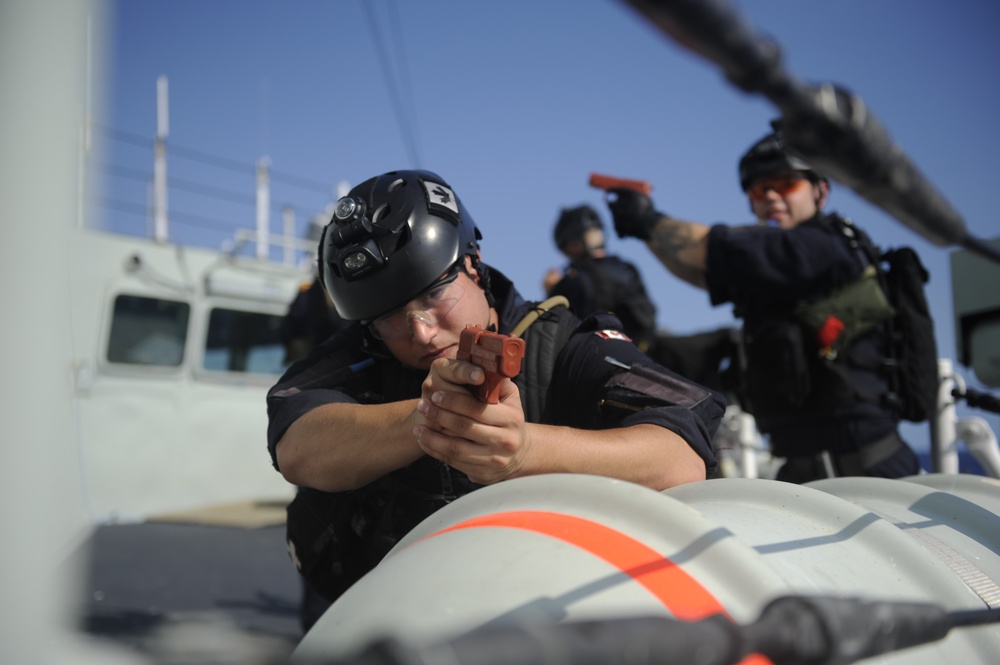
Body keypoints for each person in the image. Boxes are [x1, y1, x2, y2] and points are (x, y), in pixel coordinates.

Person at [267, 169, 725, 620]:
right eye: (390, 317)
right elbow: (298, 447)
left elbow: (681, 458)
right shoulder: (361, 351)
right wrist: (429, 418)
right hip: (378, 616)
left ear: (472, 262)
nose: (422, 333)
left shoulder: (563, 345)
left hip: (543, 621)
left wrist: (526, 450)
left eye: (432, 297)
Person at [605, 123, 922, 484]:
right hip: (807, 468)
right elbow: (703, 272)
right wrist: (645, 232)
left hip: (868, 469)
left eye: (786, 184)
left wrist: (649, 220)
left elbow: (715, 250)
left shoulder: (819, 246)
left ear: (821, 191)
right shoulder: (780, 268)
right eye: (758, 189)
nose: (771, 196)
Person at [543, 204, 658, 351]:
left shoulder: (574, 280)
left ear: (574, 244)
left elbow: (552, 329)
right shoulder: (627, 268)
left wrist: (551, 292)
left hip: (598, 358)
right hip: (643, 355)